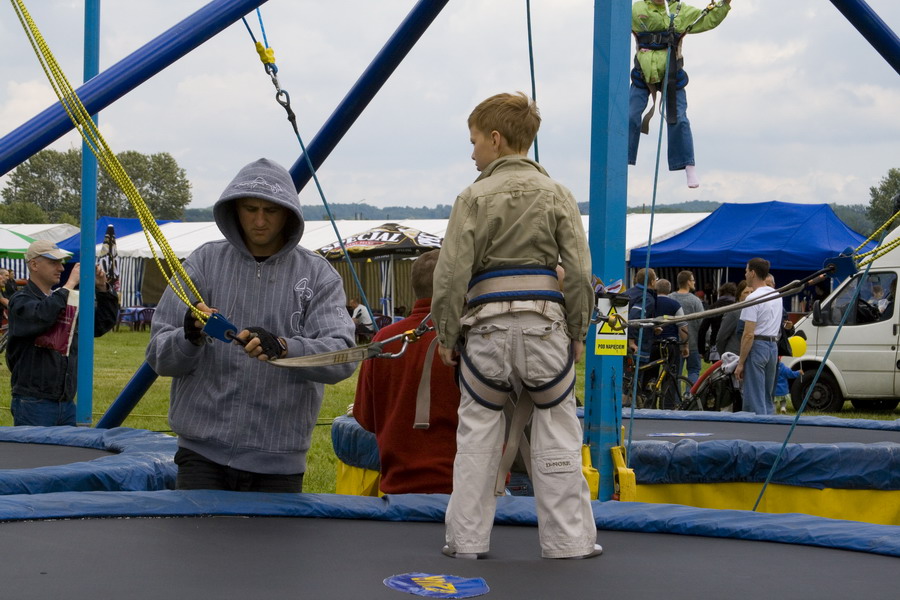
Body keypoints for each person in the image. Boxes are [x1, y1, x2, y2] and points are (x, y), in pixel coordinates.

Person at [432, 92, 600, 560]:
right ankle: (568, 541)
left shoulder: (472, 198)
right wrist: (578, 331)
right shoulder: (557, 194)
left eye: (473, 143)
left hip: (485, 332)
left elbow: (450, 276)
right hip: (545, 329)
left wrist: (447, 336)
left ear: (495, 138)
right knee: (559, 433)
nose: (471, 155)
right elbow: (581, 273)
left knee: (477, 438)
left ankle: (465, 541)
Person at [146, 157, 356, 492]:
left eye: (270, 211)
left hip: (279, 460)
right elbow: (159, 356)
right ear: (234, 210)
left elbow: (343, 357)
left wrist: (287, 348)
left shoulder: (318, 275)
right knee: (192, 547)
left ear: (288, 212)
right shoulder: (202, 263)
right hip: (201, 457)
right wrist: (188, 337)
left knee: (273, 548)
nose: (259, 221)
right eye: (249, 209)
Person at [353, 250, 459, 494]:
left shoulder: (384, 338)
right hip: (473, 491)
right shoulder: (473, 339)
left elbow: (366, 418)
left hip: (400, 489)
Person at [7, 240, 118, 426]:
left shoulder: (63, 301)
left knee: (66, 456)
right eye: (53, 262)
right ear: (34, 265)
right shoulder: (20, 300)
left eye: (61, 262)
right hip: (34, 401)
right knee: (35, 455)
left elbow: (99, 325)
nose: (60, 267)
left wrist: (103, 289)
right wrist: (69, 286)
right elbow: (41, 316)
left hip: (66, 402)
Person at [629, 0, 732, 188]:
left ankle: (687, 165)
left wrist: (724, 4)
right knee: (629, 116)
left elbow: (708, 19)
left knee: (679, 120)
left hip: (672, 77)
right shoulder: (637, 10)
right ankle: (623, 157)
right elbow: (618, 20)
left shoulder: (680, 12)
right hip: (643, 76)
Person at [735, 258, 783, 415]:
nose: (745, 274)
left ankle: (758, 431)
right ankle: (769, 427)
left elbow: (748, 334)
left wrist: (740, 363)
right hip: (772, 347)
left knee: (755, 396)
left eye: (746, 271)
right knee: (767, 396)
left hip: (758, 345)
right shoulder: (776, 295)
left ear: (753, 273)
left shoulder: (752, 298)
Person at [653, 278, 688, 408]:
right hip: (670, 344)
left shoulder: (651, 302)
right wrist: (685, 345)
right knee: (671, 376)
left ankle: (648, 402)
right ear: (669, 290)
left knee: (650, 373)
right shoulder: (675, 305)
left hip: (653, 343)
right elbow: (683, 326)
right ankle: (667, 405)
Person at [669, 270, 704, 383]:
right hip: (693, 342)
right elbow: (701, 323)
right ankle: (690, 396)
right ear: (688, 282)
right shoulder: (695, 301)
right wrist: (706, 343)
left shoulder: (670, 298)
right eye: (693, 280)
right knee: (694, 370)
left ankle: (676, 399)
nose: (694, 283)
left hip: (674, 343)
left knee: (675, 373)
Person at [698, 281, 736, 361]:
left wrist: (701, 350)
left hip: (715, 347)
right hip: (733, 345)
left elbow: (703, 329)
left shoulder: (713, 307)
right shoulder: (736, 306)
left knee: (717, 372)